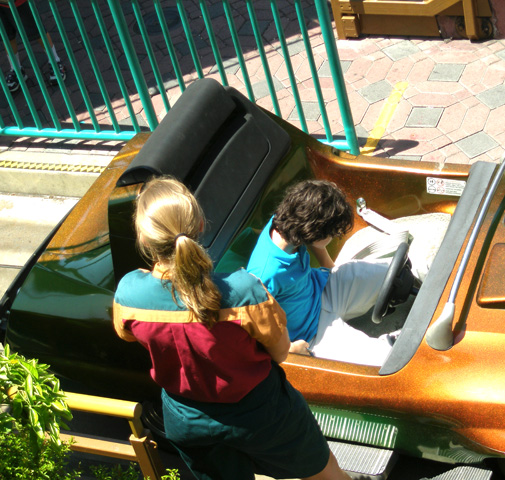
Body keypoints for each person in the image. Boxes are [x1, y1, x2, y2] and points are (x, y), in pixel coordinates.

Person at [112, 177, 349, 480]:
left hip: (186, 420)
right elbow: (279, 352)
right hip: (260, 413)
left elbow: (127, 334)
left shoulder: (128, 294)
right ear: (200, 225)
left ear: (145, 240)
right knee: (325, 473)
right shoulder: (245, 292)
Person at [247, 179, 396, 367]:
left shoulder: (287, 220)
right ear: (314, 231)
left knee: (394, 273)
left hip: (323, 287)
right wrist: (290, 349)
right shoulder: (264, 275)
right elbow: (255, 328)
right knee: (385, 360)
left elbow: (314, 242)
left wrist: (334, 270)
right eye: (331, 234)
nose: (333, 237)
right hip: (312, 334)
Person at [0, 0, 66, 92]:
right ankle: (16, 69)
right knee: (6, 36)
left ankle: (55, 60)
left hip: (19, 2)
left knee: (37, 30)